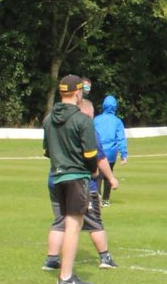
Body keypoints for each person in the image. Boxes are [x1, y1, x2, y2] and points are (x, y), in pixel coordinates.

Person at [43, 98, 120, 272]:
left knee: (60, 221)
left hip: (55, 178)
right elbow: (98, 157)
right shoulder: (85, 128)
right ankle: (105, 257)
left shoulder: (57, 125)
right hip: (80, 182)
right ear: (87, 114)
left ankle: (51, 259)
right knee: (93, 221)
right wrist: (111, 178)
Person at [42, 74, 101, 284]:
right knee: (73, 227)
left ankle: (63, 272)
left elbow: (47, 151)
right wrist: (94, 171)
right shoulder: (82, 119)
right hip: (76, 178)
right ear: (77, 93)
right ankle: (65, 277)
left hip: (56, 176)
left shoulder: (48, 119)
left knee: (62, 223)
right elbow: (90, 154)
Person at [93, 94, 128, 204]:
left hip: (97, 150)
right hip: (111, 152)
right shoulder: (117, 121)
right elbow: (121, 138)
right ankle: (106, 199)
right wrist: (124, 154)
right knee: (109, 175)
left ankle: (96, 197)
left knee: (98, 175)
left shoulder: (96, 120)